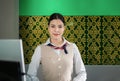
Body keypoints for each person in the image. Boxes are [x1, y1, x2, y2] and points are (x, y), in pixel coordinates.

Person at [27, 13, 87, 81]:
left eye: (60, 26)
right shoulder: (40, 49)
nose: (56, 30)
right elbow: (30, 75)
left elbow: (82, 73)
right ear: (48, 28)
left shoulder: (73, 47)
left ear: (64, 28)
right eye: (52, 26)